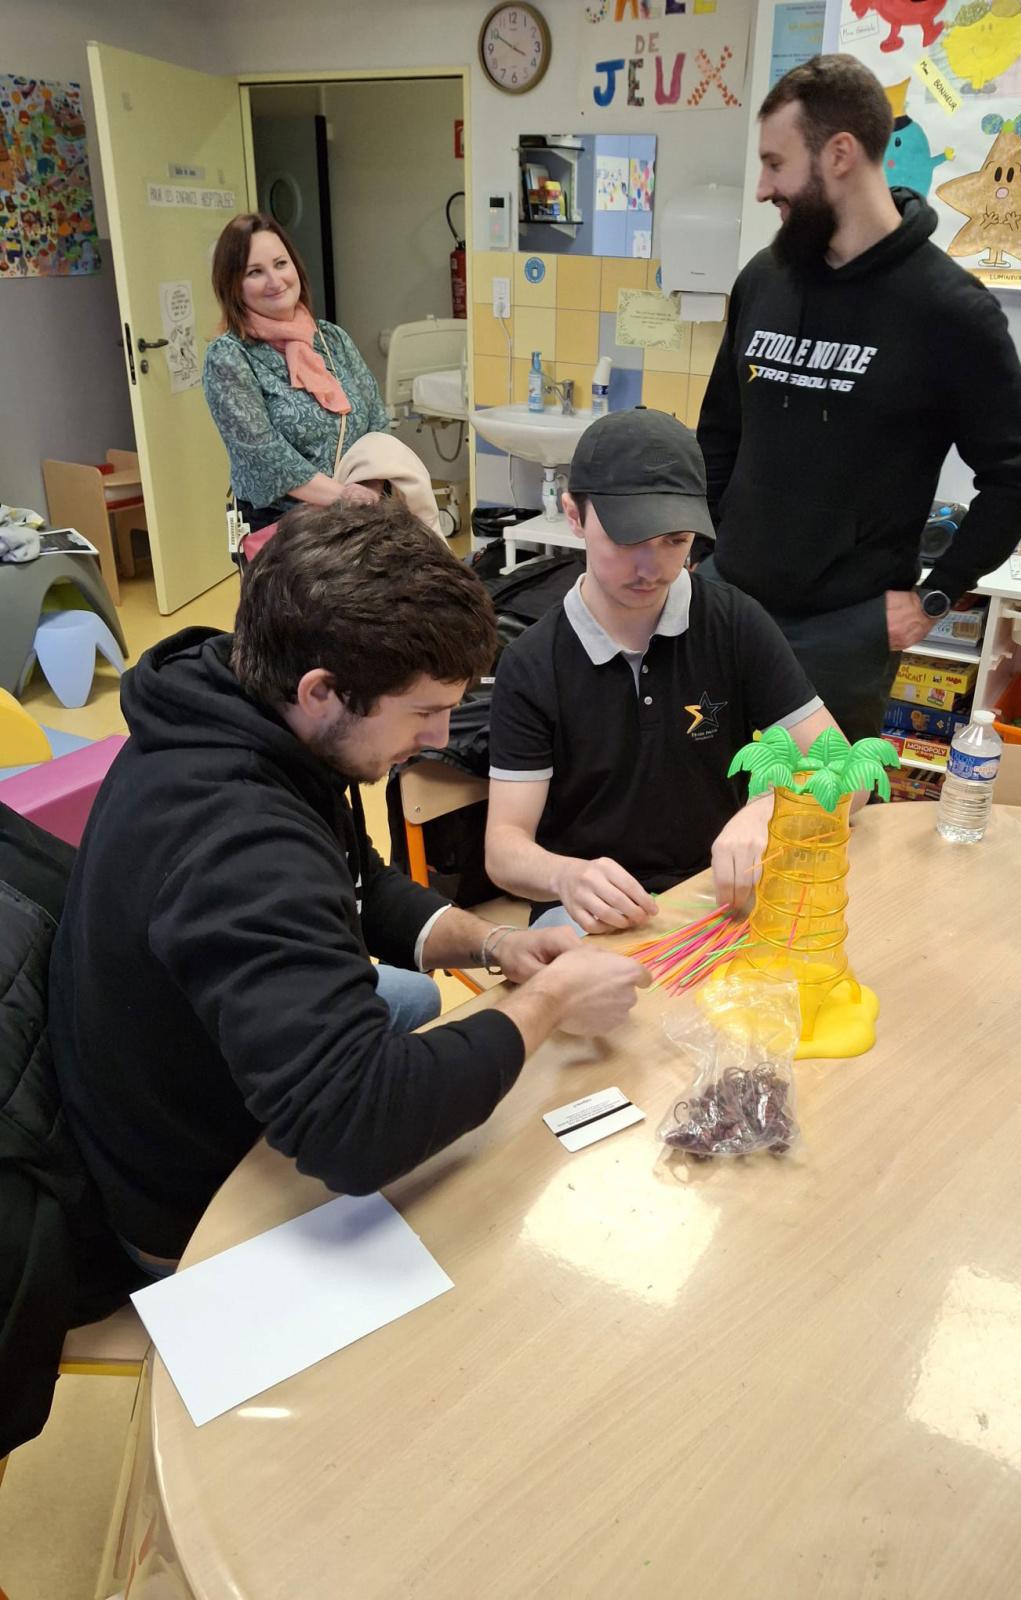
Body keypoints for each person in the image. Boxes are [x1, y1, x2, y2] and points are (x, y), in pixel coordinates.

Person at [49, 504, 647, 1272]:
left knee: (428, 1017)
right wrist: (552, 1001)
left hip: (183, 1072)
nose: (439, 739)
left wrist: (495, 943)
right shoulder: (238, 842)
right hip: (185, 1206)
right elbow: (354, 1128)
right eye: (425, 712)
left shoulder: (234, 699)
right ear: (322, 690)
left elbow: (358, 879)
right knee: (495, 1231)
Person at [697, 54, 1021, 742]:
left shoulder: (951, 311)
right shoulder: (763, 280)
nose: (764, 188)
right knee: (694, 812)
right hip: (724, 603)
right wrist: (705, 552)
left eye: (775, 163)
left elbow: (1015, 478)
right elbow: (718, 433)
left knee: (811, 827)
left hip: (841, 633)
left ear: (839, 154)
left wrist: (934, 596)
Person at [484, 409, 851, 936]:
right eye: (628, 540)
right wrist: (566, 876)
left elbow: (847, 775)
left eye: (675, 541)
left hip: (719, 891)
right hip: (594, 910)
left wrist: (773, 807)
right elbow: (504, 849)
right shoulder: (533, 663)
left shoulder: (733, 622)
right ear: (573, 514)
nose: (651, 568)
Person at [202, 211, 438, 541]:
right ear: (232, 285)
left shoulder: (331, 339)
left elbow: (376, 423)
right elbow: (266, 458)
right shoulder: (229, 356)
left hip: (359, 522)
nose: (275, 281)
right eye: (255, 272)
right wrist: (345, 497)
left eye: (281, 264)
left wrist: (367, 492)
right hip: (289, 537)